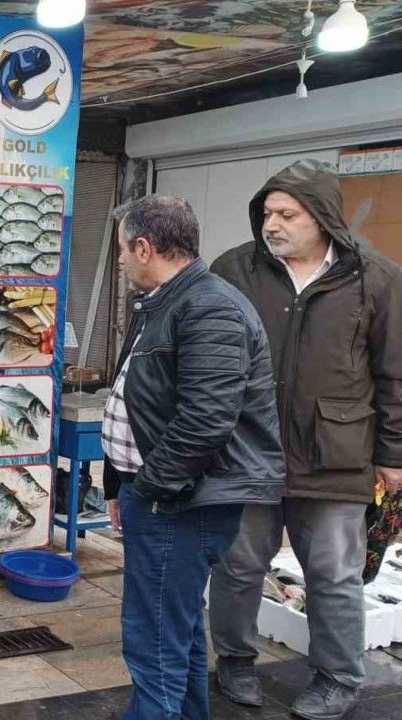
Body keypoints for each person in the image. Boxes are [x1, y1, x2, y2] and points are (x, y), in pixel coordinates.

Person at [208, 159, 402, 720]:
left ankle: (338, 676)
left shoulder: (376, 279)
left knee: (335, 574)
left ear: (322, 218)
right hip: (248, 450)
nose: (272, 224)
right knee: (238, 566)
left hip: (335, 455)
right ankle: (235, 661)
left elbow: (394, 373)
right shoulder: (234, 270)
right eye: (268, 212)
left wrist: (392, 454)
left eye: (287, 214)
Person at [101, 195, 285, 720]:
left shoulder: (209, 307)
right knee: (173, 628)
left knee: (154, 637)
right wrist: (119, 485)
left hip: (183, 502)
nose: (120, 260)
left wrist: (150, 490)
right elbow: (137, 399)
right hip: (163, 496)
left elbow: (205, 420)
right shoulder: (164, 301)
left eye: (122, 249)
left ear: (144, 248)